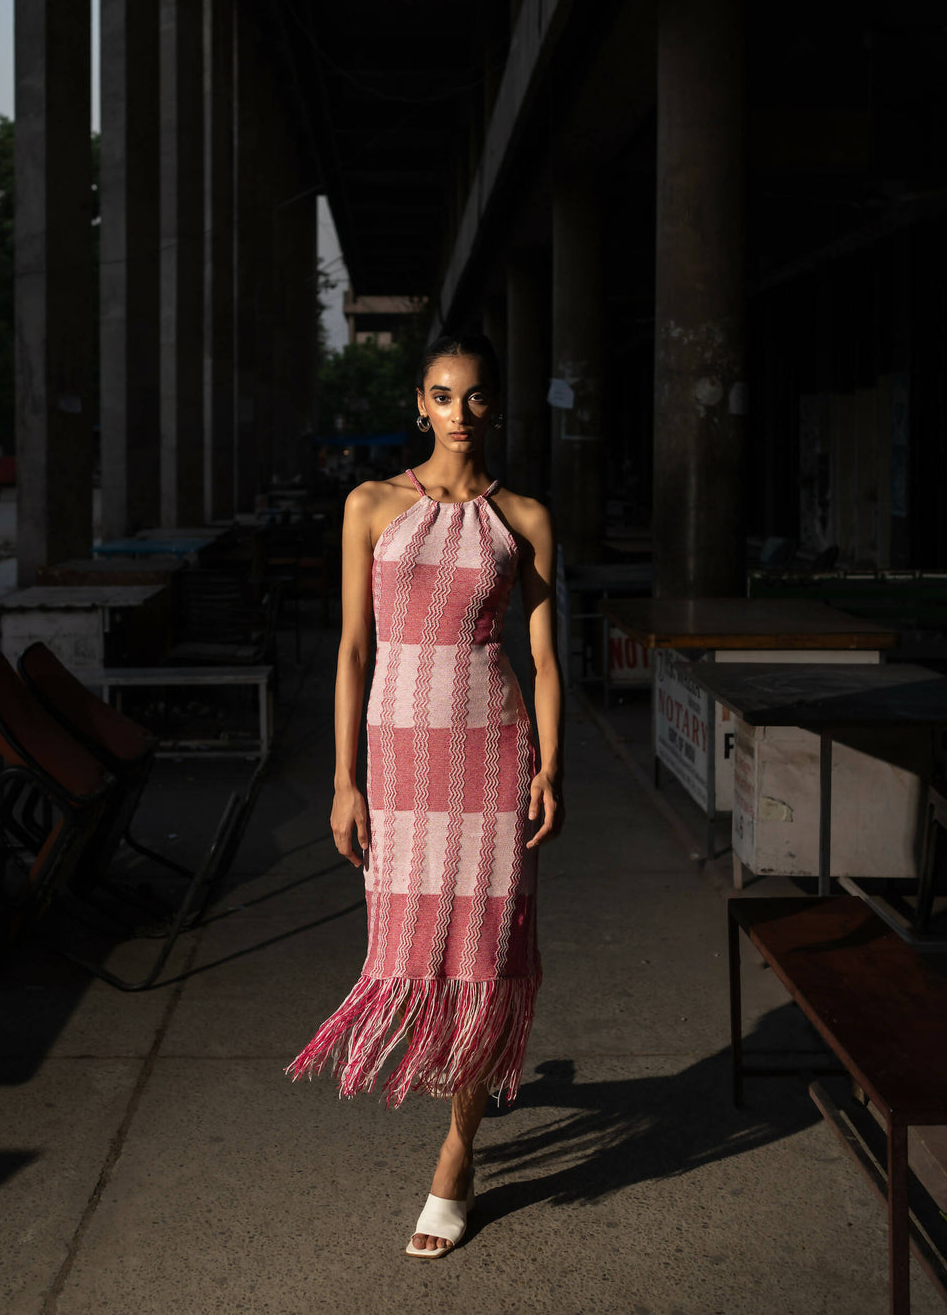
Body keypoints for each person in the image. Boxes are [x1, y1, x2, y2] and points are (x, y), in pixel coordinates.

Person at [286, 332, 564, 1257]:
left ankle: (457, 1154)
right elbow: (353, 651)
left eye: (477, 398)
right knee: (415, 943)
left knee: (486, 950)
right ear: (420, 404)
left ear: (496, 407)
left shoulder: (523, 516)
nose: (459, 414)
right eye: (443, 397)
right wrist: (341, 780)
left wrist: (550, 767)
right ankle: (461, 1093)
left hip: (491, 748)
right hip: (399, 755)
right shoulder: (369, 506)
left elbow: (543, 658)